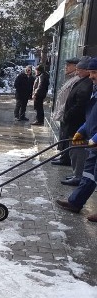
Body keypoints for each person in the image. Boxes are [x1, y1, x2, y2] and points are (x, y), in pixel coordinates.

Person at [56, 58, 97, 222]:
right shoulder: (95, 90)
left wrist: (95, 138)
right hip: (94, 144)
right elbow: (93, 117)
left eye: (94, 73)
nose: (92, 76)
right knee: (88, 174)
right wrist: (82, 130)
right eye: (92, 72)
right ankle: (75, 202)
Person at [59, 58, 92, 185]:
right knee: (73, 150)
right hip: (75, 124)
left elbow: (80, 105)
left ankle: (78, 176)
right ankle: (76, 174)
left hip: (77, 123)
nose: (77, 72)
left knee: (78, 151)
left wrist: (68, 115)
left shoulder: (87, 84)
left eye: (79, 70)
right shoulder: (82, 81)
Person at [52, 57, 83, 165]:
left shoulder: (77, 80)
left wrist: (63, 112)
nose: (66, 67)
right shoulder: (71, 79)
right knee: (63, 134)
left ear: (76, 67)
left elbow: (70, 99)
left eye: (69, 65)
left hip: (66, 112)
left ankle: (65, 158)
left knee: (67, 135)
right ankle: (63, 156)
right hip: (63, 112)